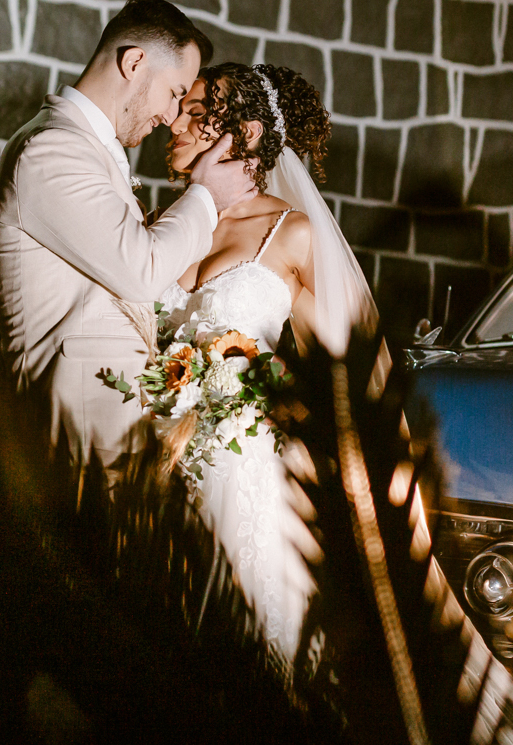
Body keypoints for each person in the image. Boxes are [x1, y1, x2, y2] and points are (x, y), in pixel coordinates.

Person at [0, 0, 257, 500]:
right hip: (76, 436)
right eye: (174, 92)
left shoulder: (85, 149)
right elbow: (141, 269)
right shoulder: (51, 150)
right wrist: (206, 196)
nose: (173, 115)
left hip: (114, 436)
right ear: (134, 63)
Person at [159, 62, 377, 664]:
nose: (174, 123)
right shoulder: (164, 226)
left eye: (196, 114)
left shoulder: (292, 233)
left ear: (248, 134)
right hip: (156, 458)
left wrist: (253, 377)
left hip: (244, 467)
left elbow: (344, 369)